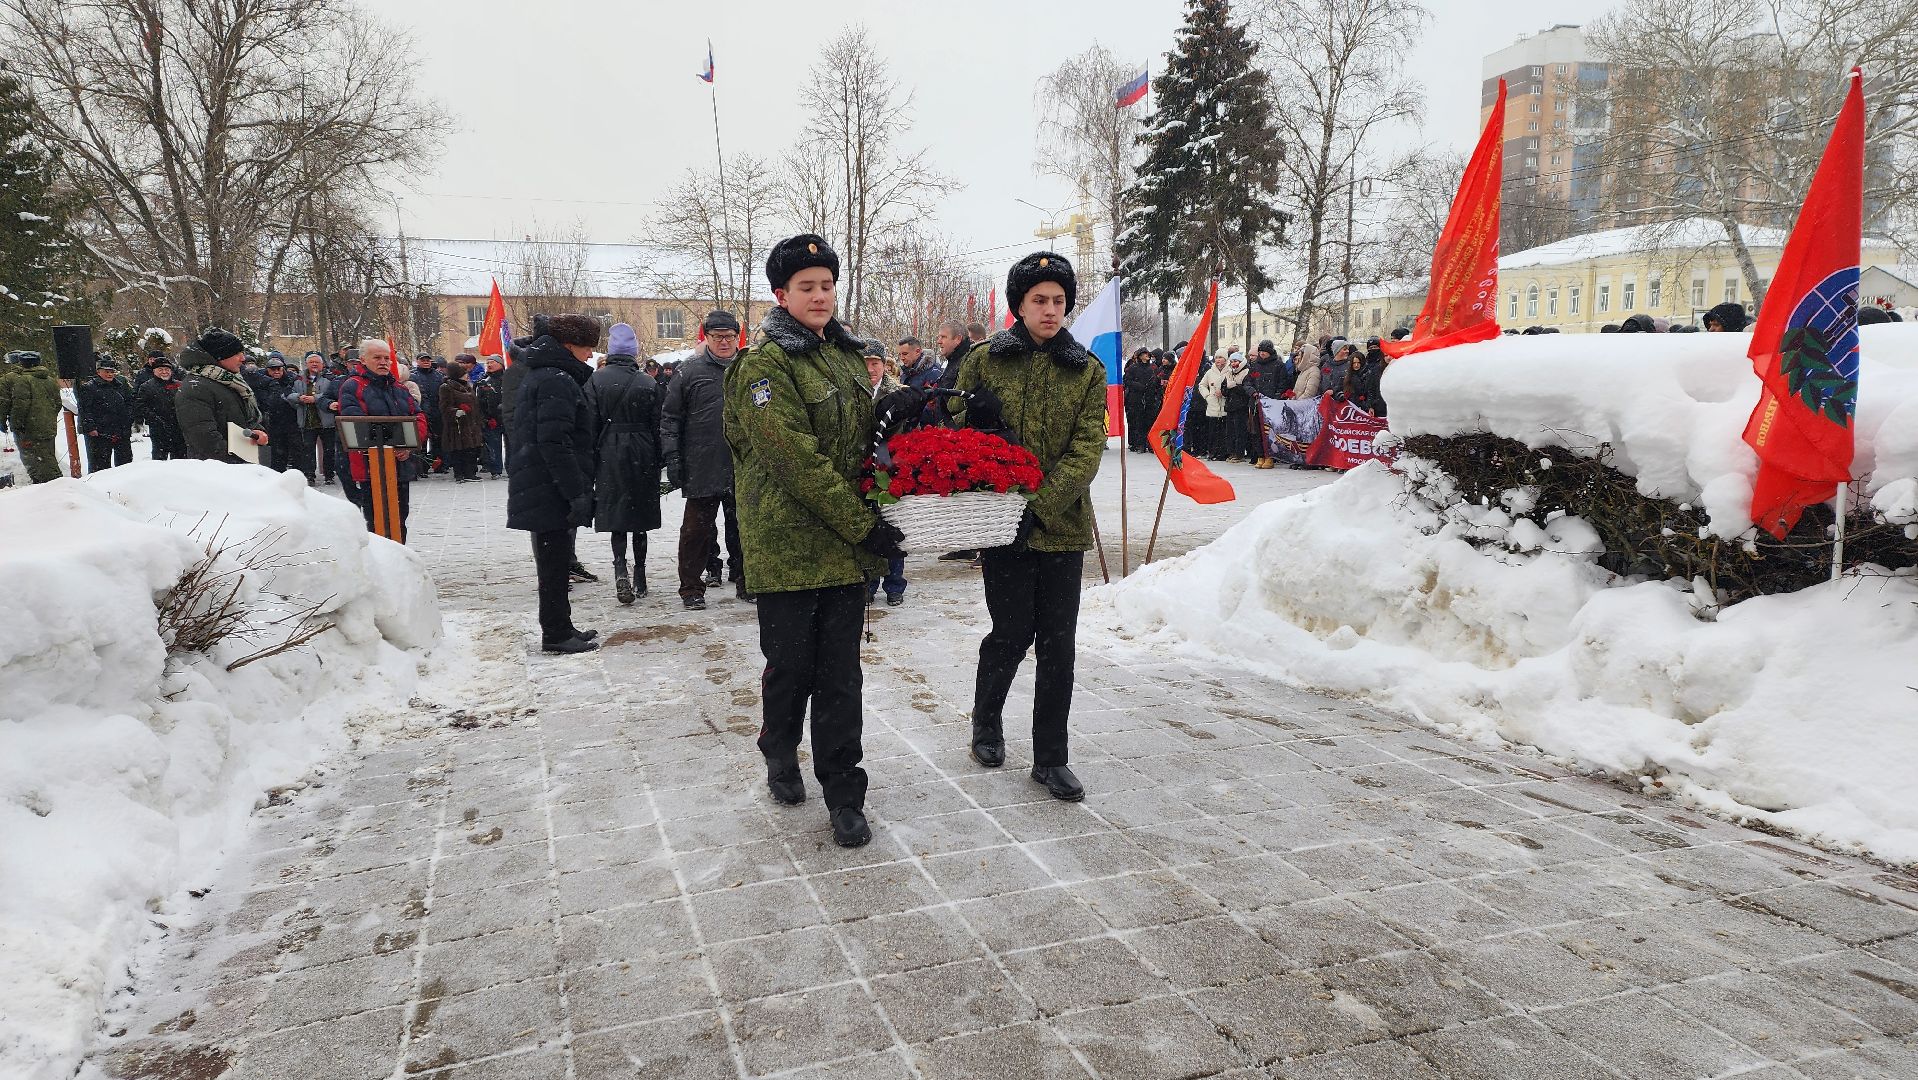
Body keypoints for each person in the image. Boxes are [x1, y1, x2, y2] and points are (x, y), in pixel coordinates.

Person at [724, 233, 918, 848]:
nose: (819, 296)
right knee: (790, 669)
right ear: (781, 294)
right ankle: (779, 746)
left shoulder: (846, 356)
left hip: (842, 550)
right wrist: (865, 525)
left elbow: (860, 445)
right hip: (786, 546)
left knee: (840, 676)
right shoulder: (763, 365)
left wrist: (900, 420)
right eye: (806, 287)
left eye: (827, 285)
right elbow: (794, 460)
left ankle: (844, 791)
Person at [947, 251, 1106, 803]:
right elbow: (952, 425)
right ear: (1019, 304)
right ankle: (986, 723)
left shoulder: (1086, 369)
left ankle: (1051, 757)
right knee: (1011, 633)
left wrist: (1042, 503)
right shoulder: (985, 360)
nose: (1050, 310)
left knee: (1059, 646)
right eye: (1039, 300)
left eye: (1059, 301)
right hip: (1002, 524)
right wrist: (973, 417)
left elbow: (1088, 448)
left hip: (1060, 526)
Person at [506, 315, 601, 654]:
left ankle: (561, 625)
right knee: (554, 565)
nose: (591, 354)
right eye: (587, 347)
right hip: (549, 488)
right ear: (569, 345)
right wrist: (576, 492)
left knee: (555, 564)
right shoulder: (555, 379)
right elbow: (555, 442)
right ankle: (556, 633)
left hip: (542, 484)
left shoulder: (546, 373)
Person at [663, 310, 747, 610]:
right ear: (706, 337)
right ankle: (691, 588)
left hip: (742, 464)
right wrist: (673, 457)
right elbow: (670, 418)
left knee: (744, 528)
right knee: (695, 532)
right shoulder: (689, 371)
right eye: (717, 336)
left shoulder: (749, 367)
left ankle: (746, 580)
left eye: (729, 336)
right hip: (702, 463)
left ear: (737, 337)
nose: (724, 342)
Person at [585, 322, 663, 605]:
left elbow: (588, 423)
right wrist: (659, 457)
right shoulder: (648, 382)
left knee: (617, 515)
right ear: (634, 352)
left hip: (609, 452)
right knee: (640, 516)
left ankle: (620, 568)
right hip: (643, 451)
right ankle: (640, 574)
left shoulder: (596, 380)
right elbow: (658, 425)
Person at [336, 339, 427, 539]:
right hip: (371, 466)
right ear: (363, 360)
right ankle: (380, 557)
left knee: (399, 518)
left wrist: (408, 446)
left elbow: (418, 417)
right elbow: (356, 423)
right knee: (377, 520)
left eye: (387, 358)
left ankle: (399, 554)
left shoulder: (400, 388)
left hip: (400, 465)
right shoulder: (353, 386)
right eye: (377, 357)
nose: (383, 362)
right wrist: (388, 444)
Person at [861, 340, 909, 607]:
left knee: (893, 526)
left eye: (875, 363)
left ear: (884, 365)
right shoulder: (852, 389)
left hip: (889, 464)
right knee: (868, 526)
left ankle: (894, 584)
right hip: (861, 464)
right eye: (866, 363)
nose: (870, 369)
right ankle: (869, 583)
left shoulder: (896, 393)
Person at [174, 329, 269, 462]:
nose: (243, 358)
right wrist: (240, 461)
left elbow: (240, 420)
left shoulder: (229, 381)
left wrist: (255, 432)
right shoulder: (195, 388)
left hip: (239, 463)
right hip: (218, 469)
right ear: (220, 356)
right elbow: (205, 441)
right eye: (236, 354)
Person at [0, 350, 63, 482]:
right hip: (48, 426)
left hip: (28, 428)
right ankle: (56, 484)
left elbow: (20, 405)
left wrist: (15, 425)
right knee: (48, 457)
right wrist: (47, 417)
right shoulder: (50, 380)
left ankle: (52, 485)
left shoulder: (22, 380)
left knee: (34, 461)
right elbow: (57, 404)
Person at [77, 357, 135, 473]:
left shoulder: (120, 385)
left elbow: (130, 402)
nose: (109, 374)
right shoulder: (89, 387)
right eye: (106, 371)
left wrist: (128, 419)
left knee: (125, 464)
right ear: (98, 372)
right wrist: (91, 427)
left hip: (121, 430)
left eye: (111, 371)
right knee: (101, 466)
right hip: (101, 432)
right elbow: (85, 410)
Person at [288, 352, 335, 483]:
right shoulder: (298, 379)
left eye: (317, 362)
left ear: (322, 364)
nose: (314, 364)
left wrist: (315, 398)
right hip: (307, 420)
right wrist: (299, 397)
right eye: (311, 362)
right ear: (306, 364)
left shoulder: (329, 378)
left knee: (329, 450)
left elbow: (332, 394)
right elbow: (289, 394)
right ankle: (309, 475)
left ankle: (329, 475)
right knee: (308, 450)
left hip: (326, 421)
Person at [437, 358, 484, 482]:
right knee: (458, 450)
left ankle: (470, 473)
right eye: (464, 373)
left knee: (471, 449)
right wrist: (456, 411)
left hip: (470, 423)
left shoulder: (467, 386)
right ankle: (460, 474)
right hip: (457, 425)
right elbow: (444, 406)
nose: (467, 376)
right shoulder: (446, 387)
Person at [136, 359, 187, 462]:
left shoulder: (180, 385)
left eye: (167, 369)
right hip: (158, 429)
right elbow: (141, 406)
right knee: (159, 459)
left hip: (178, 428)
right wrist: (155, 419)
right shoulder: (146, 386)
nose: (164, 372)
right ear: (154, 371)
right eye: (160, 369)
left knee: (180, 459)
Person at [258, 356, 303, 471]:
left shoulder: (291, 380)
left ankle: (298, 473)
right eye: (273, 369)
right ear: (268, 370)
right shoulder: (262, 382)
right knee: (277, 452)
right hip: (272, 421)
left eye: (279, 369)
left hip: (291, 420)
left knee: (297, 450)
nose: (276, 371)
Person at [1122, 347, 1157, 453]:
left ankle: (1150, 444)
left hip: (1150, 398)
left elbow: (1156, 381)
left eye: (1147, 354)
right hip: (1136, 398)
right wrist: (1138, 386)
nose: (1147, 356)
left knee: (1149, 422)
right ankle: (1139, 444)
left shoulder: (1153, 367)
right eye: (1144, 354)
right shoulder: (1133, 368)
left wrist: (1152, 387)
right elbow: (1127, 380)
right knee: (1138, 422)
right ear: (1140, 356)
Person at [1196, 352, 1229, 461]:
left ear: (1225, 359)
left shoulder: (1229, 371)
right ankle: (1213, 452)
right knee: (1212, 432)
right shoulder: (1210, 372)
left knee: (1224, 432)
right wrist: (1207, 396)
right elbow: (1202, 385)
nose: (1218, 360)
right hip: (1212, 406)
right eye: (1216, 358)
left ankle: (1223, 453)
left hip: (1225, 406)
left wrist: (1224, 393)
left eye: (1220, 357)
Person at [478, 357, 507, 478]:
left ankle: (512, 468)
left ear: (500, 364)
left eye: (492, 362)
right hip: (491, 420)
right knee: (493, 446)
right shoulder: (484, 381)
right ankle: (495, 470)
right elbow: (479, 402)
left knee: (512, 446)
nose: (489, 364)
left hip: (508, 418)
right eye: (487, 362)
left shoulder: (509, 379)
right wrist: (485, 418)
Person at [1221, 354, 1252, 462]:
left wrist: (1235, 386)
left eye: (1236, 361)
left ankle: (1239, 453)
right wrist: (1227, 388)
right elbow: (1224, 390)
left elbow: (1246, 390)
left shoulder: (1246, 372)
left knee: (1240, 431)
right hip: (1230, 405)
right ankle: (1231, 452)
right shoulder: (1228, 373)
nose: (1233, 364)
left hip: (1241, 406)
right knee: (1230, 431)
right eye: (1232, 361)